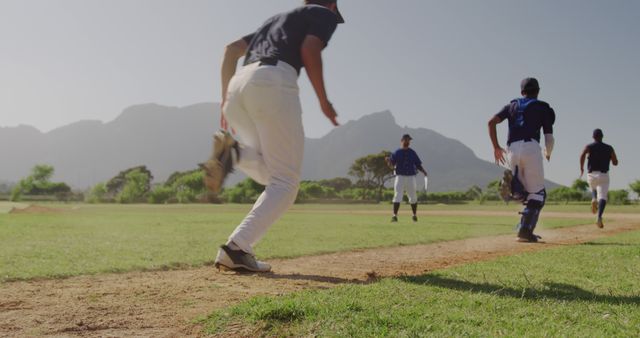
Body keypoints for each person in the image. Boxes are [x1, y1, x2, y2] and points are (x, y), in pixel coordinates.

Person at [204, 0, 345, 272]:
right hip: (273, 82)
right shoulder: (322, 13)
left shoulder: (275, 21)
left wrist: (225, 98)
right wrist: (324, 102)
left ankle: (234, 153)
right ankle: (237, 247)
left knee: (272, 173)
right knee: (286, 183)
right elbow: (309, 48)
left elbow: (231, 50)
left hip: (239, 86)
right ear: (332, 3)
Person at [488, 77, 556, 242]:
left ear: (521, 92)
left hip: (511, 149)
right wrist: (548, 152)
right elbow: (549, 137)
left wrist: (496, 147)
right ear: (538, 91)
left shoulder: (512, 105)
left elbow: (491, 122)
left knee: (526, 191)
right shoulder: (542, 107)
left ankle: (516, 193)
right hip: (531, 148)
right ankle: (525, 231)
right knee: (538, 193)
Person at [579, 129, 618, 228]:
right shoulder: (609, 148)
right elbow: (615, 162)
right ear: (602, 136)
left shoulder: (589, 146)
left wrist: (582, 168)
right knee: (603, 197)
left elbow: (582, 154)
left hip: (591, 174)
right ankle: (599, 217)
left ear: (593, 137)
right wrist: (610, 159)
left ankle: (593, 197)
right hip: (604, 175)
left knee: (593, 187)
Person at [385, 134, 428, 222]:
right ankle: (394, 216)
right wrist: (389, 162)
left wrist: (423, 171)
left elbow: (418, 164)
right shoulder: (397, 152)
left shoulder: (412, 152)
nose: (408, 142)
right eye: (406, 140)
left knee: (413, 196)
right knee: (397, 195)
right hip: (400, 176)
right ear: (402, 141)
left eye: (409, 140)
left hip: (411, 177)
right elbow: (391, 166)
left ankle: (414, 215)